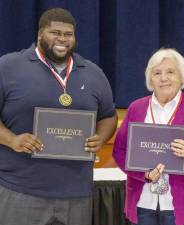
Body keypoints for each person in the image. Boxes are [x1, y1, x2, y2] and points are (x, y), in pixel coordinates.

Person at [0, 8, 117, 225]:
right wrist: (12, 140)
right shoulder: (7, 67)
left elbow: (108, 117)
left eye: (68, 34)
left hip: (77, 193)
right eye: (55, 32)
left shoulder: (93, 73)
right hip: (20, 190)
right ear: (39, 34)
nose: (62, 39)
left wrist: (100, 138)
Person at [113, 48, 184, 225]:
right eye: (157, 73)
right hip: (143, 202)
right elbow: (119, 151)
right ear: (150, 79)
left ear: (182, 77)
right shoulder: (136, 108)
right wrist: (145, 174)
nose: (163, 78)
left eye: (170, 72)